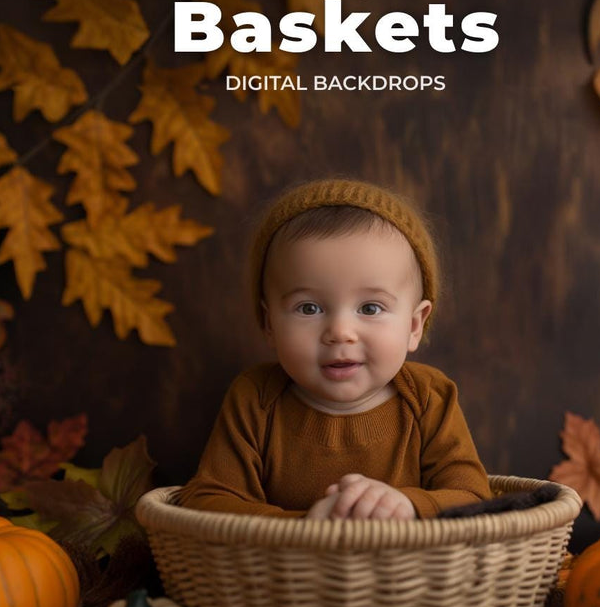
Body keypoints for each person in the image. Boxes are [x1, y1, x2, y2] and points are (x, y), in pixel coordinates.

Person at [179, 178, 491, 520]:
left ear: (414, 326)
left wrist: (410, 506)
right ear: (269, 324)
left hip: (411, 571)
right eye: (309, 308)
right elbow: (205, 502)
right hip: (282, 571)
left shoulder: (428, 397)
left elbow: (475, 497)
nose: (340, 333)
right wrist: (308, 526)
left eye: (370, 308)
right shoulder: (256, 399)